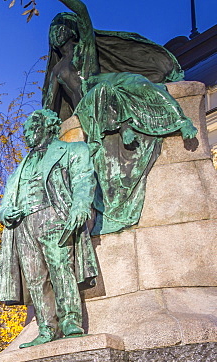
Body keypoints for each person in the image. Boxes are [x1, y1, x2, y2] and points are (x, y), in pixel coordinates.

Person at [42, 0, 196, 234]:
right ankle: (123, 127)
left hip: (101, 82)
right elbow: (48, 105)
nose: (56, 31)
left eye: (61, 25)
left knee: (140, 82)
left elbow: (82, 9)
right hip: (86, 102)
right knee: (102, 94)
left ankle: (180, 121)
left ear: (72, 30)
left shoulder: (84, 49)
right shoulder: (57, 70)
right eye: (53, 29)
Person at [0, 108, 99, 347]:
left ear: (46, 127)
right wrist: (5, 213)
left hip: (54, 216)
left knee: (61, 269)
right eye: (25, 131)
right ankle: (46, 328)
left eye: (31, 129)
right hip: (22, 225)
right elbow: (4, 204)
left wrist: (79, 207)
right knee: (35, 278)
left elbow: (84, 180)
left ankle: (71, 322)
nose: (27, 135)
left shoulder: (72, 150)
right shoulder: (18, 169)